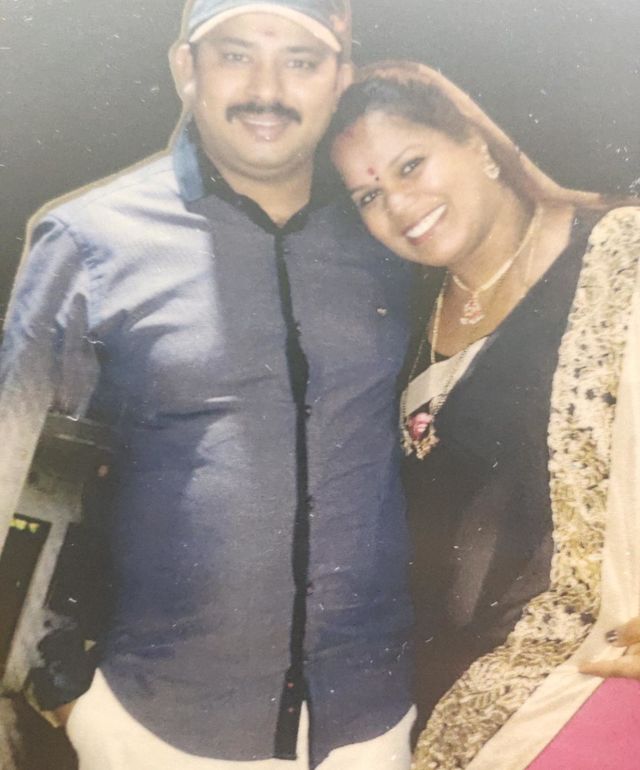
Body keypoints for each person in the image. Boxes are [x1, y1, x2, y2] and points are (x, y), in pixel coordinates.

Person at [0, 6, 418, 769]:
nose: (268, 89)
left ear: (340, 81)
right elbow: (15, 480)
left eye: (300, 61)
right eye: (235, 55)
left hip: (371, 726)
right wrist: (58, 690)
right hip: (161, 729)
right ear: (185, 68)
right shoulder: (92, 239)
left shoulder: (389, 233)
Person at [329, 60, 640, 769]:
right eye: (369, 195)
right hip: (431, 704)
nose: (398, 205)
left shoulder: (617, 256)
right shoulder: (401, 313)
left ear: (476, 141)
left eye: (411, 165)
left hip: (591, 697)